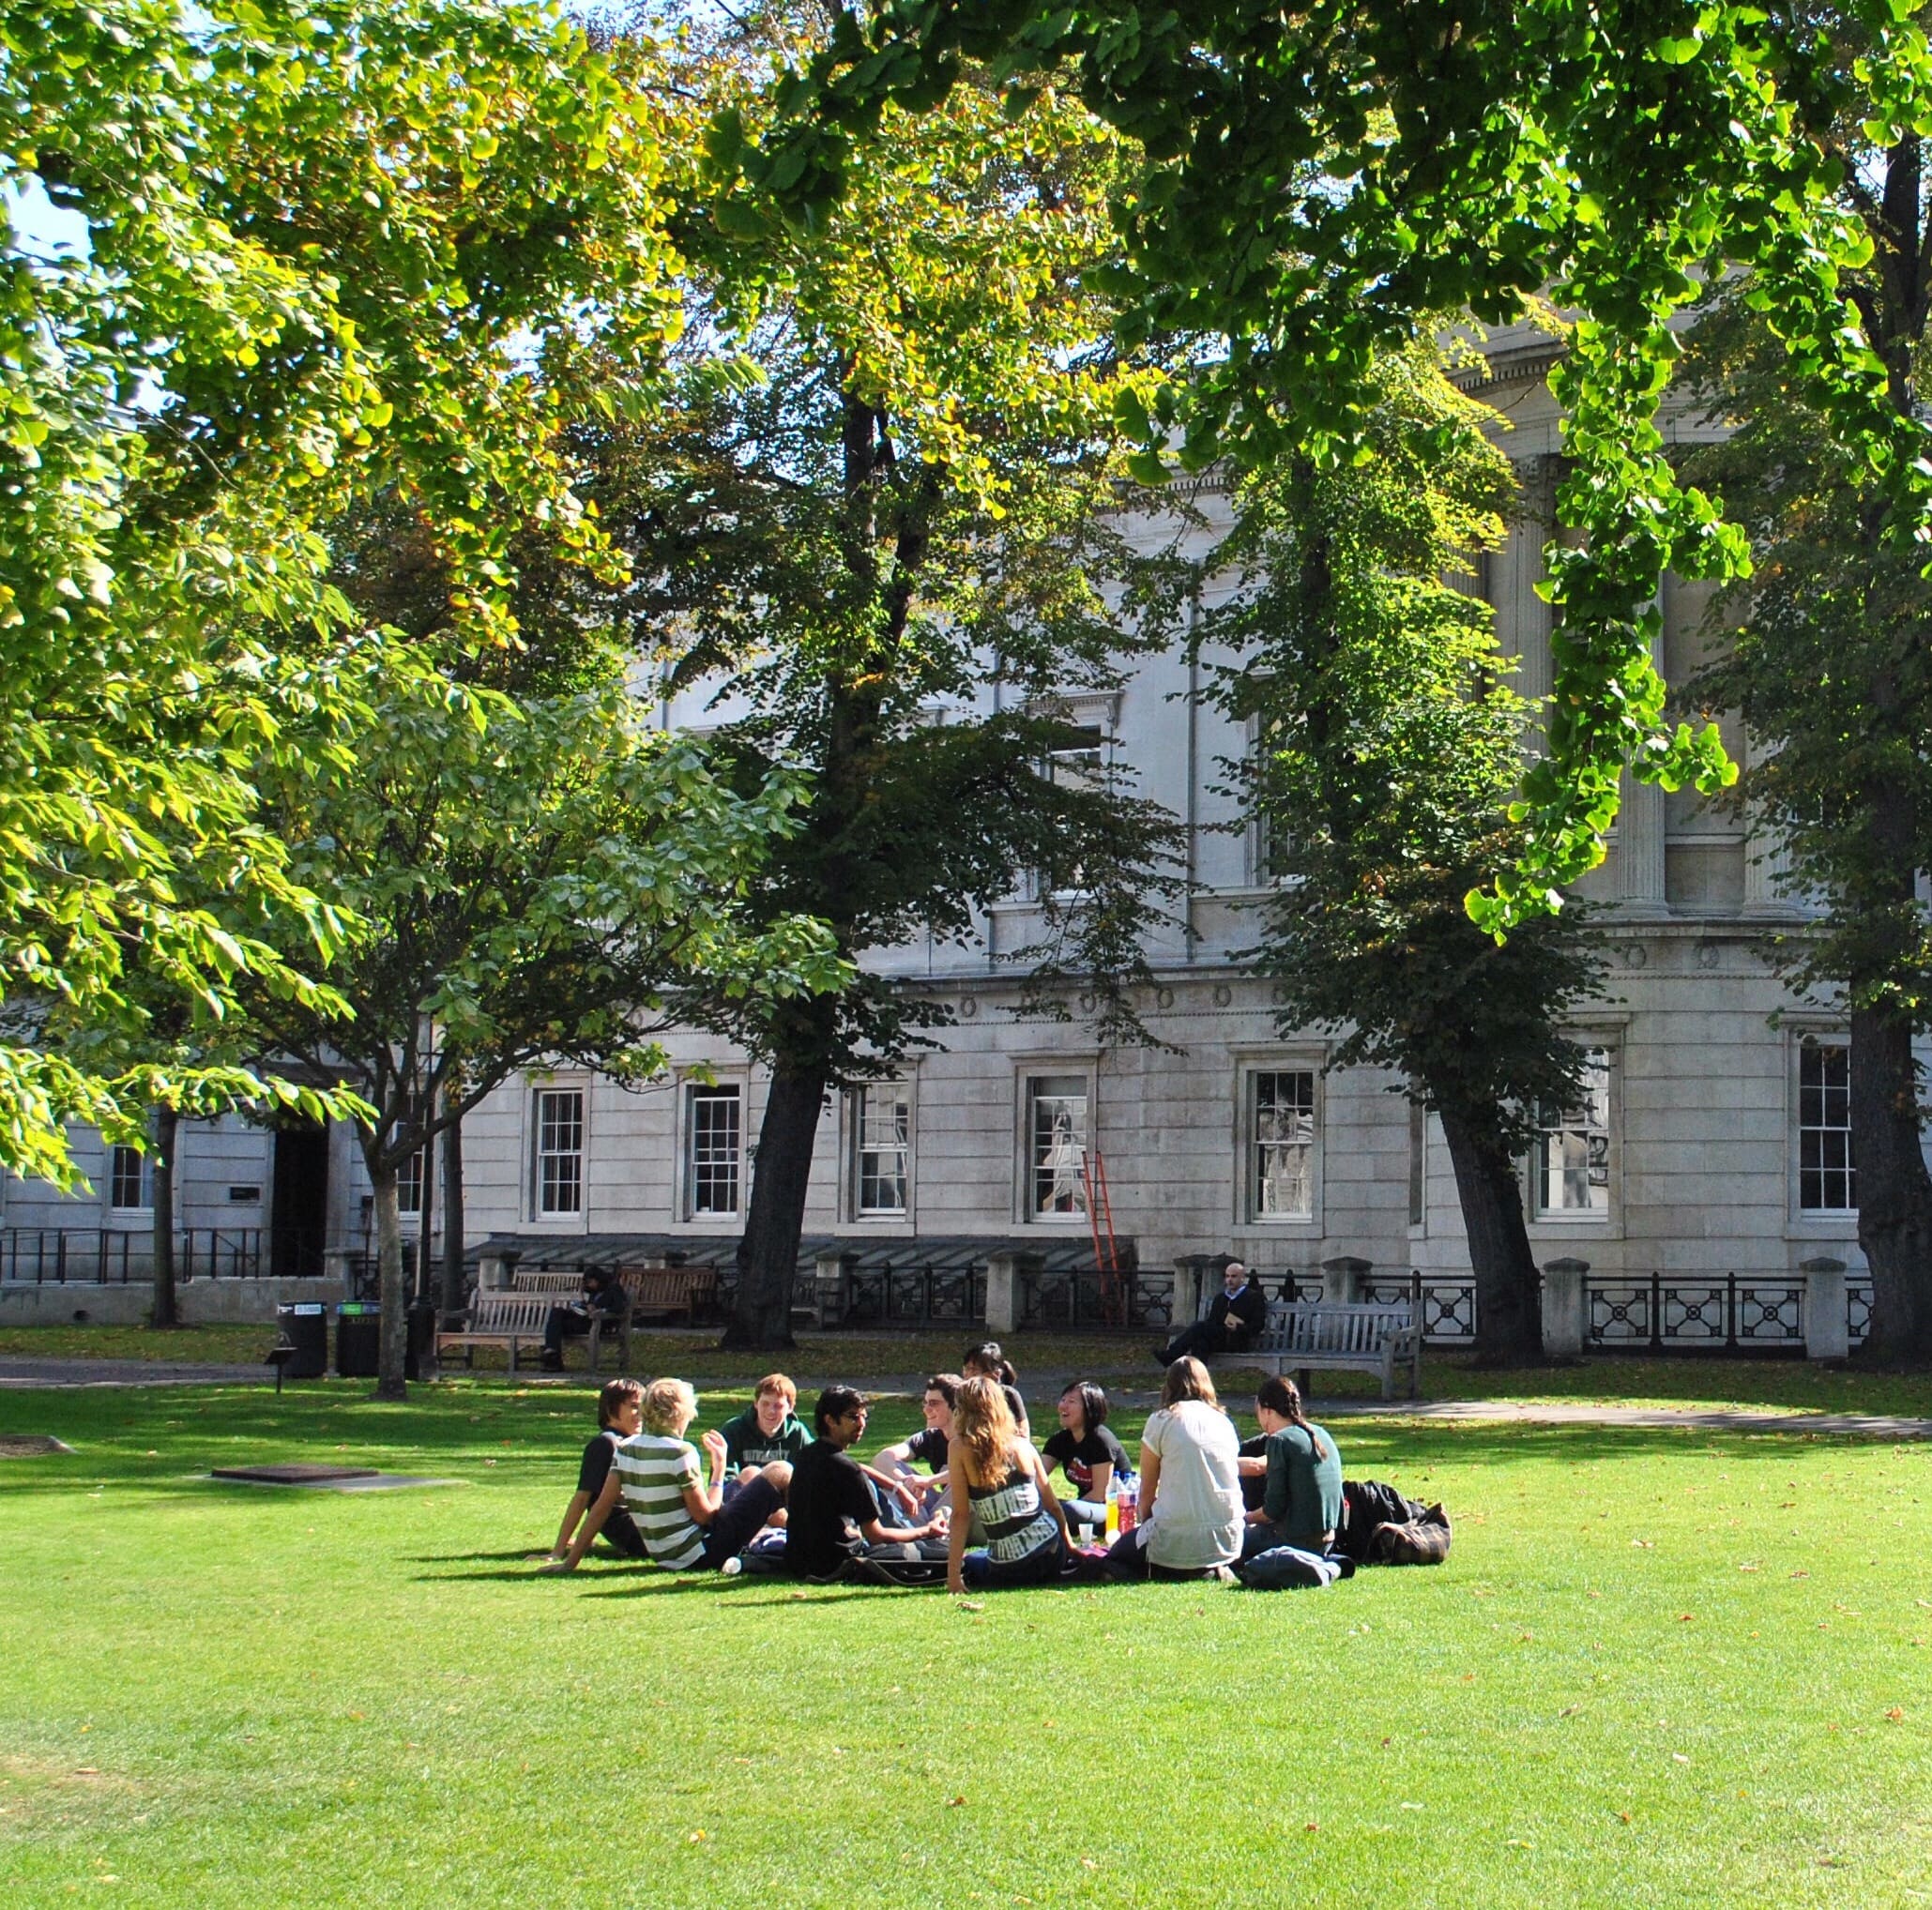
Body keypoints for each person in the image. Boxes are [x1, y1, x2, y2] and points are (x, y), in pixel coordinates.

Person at [540, 1377, 788, 1574]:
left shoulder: (627, 1448)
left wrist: (570, 1562)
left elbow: (600, 1508)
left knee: (750, 1474)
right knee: (779, 1471)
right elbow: (706, 1517)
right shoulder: (680, 1452)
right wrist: (719, 1467)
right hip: (700, 1553)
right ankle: (810, 1546)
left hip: (666, 1555)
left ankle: (785, 1537)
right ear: (680, 1413)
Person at [783, 1386, 947, 1580]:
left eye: (864, 1417)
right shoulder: (847, 1470)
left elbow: (857, 1467)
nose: (861, 1424)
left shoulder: (806, 1455)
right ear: (830, 1420)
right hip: (835, 1563)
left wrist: (898, 1487)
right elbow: (876, 1535)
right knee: (941, 1554)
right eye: (853, 1417)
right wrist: (926, 1530)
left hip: (797, 1561)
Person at [1106, 1356, 1243, 1581]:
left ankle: (1167, 1567)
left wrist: (1146, 1524)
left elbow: (1147, 1492)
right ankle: (1207, 1568)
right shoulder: (1224, 1422)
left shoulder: (1161, 1420)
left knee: (1117, 1554)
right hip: (1228, 1536)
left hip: (1175, 1534)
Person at [947, 1375, 1070, 1592]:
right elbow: (1053, 1505)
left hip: (1011, 1568)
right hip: (1052, 1552)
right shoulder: (1022, 1445)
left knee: (973, 1561)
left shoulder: (959, 1448)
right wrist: (1069, 1547)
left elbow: (960, 1515)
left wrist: (953, 1576)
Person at [543, 1376, 647, 1562]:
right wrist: (558, 1550)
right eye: (633, 1407)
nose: (640, 1414)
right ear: (610, 1409)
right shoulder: (605, 1443)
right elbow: (583, 1497)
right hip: (631, 1532)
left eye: (643, 1407)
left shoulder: (631, 1442)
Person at [1239, 1375, 1343, 1558]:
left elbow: (1272, 1510)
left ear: (1267, 1411)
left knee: (1226, 1538)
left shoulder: (1279, 1441)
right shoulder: (1320, 1433)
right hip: (1328, 1540)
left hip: (1295, 1542)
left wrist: (1243, 1519)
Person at [1041, 1380, 1132, 1535]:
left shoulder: (1102, 1441)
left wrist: (1058, 1509)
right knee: (1050, 1508)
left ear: (1089, 1409)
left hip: (1111, 1509)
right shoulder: (1059, 1440)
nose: (1063, 1406)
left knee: (1068, 1510)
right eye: (1063, 1400)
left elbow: (1100, 1494)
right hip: (1084, 1508)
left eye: (1071, 1401)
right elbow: (1035, 1479)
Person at [871, 1372, 962, 1513]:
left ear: (955, 1406)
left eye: (934, 1403)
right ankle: (927, 1528)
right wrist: (909, 1483)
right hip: (942, 1507)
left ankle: (937, 1525)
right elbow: (882, 1458)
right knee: (892, 1472)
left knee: (960, 1477)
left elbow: (972, 1471)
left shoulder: (972, 1438)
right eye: (925, 1403)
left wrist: (929, 1481)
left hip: (968, 1511)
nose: (926, 1409)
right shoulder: (929, 1437)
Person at [1152, 1259, 1266, 1368]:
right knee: (1200, 1343)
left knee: (1199, 1326)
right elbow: (1213, 1321)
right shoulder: (1221, 1298)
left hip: (1239, 1340)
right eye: (1227, 1276)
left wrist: (1238, 1327)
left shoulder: (1253, 1297)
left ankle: (1170, 1355)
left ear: (1242, 1278)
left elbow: (1257, 1326)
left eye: (1234, 1276)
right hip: (1219, 1338)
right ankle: (1198, 1379)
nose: (1229, 1280)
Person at [715, 1373, 814, 1476]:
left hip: (783, 1490)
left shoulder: (798, 1433)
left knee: (783, 1469)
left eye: (778, 1406)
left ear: (790, 1408)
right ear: (756, 1403)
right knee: (751, 1473)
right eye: (765, 1404)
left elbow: (815, 1469)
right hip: (743, 1490)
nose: (771, 1411)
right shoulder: (734, 1430)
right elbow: (724, 1478)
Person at [539, 1267, 630, 1372]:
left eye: (590, 1282)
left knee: (555, 1328)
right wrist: (583, 1301)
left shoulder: (614, 1288)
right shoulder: (595, 1291)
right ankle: (552, 1353)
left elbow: (620, 1307)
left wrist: (600, 1310)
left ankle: (552, 1357)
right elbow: (588, 1303)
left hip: (600, 1323)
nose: (590, 1285)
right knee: (557, 1312)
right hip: (587, 1320)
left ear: (598, 1279)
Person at [963, 1341, 1029, 1439]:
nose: (968, 1375)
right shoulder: (960, 1396)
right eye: (966, 1368)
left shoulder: (1009, 1395)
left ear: (995, 1374)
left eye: (975, 1370)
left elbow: (1024, 1435)